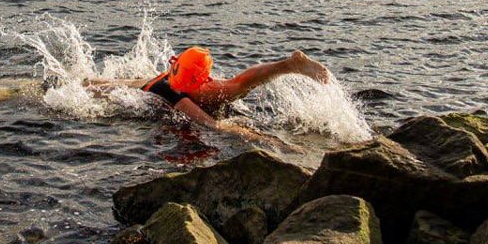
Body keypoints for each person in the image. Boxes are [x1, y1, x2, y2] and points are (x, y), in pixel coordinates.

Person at [85, 48, 331, 143]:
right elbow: (214, 125)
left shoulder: (177, 86)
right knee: (235, 87)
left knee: (235, 88)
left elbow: (214, 125)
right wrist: (267, 139)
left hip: (152, 84)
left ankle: (291, 65)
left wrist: (266, 140)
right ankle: (287, 65)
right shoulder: (173, 94)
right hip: (144, 88)